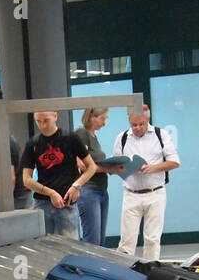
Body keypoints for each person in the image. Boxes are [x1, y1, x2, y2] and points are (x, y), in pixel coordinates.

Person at [114, 106, 180, 261]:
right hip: (131, 194)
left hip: (155, 193)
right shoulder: (122, 138)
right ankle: (123, 269)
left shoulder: (160, 134)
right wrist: (128, 167)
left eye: (141, 124)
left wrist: (153, 168)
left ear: (148, 119)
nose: (137, 128)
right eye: (134, 125)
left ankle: (150, 269)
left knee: (152, 239)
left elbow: (175, 162)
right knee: (127, 240)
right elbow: (115, 165)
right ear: (129, 121)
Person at [19, 110, 94, 238]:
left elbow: (91, 167)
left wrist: (77, 185)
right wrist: (50, 193)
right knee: (43, 245)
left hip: (66, 202)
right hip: (42, 203)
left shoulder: (70, 138)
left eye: (46, 121)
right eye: (38, 121)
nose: (43, 125)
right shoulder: (33, 143)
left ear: (55, 116)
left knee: (69, 246)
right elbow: (26, 180)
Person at [74, 106, 113, 245]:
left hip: (101, 189)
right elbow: (83, 165)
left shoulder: (93, 137)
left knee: (100, 240)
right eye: (102, 118)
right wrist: (108, 168)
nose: (104, 123)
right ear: (91, 117)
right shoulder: (82, 133)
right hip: (89, 189)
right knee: (93, 240)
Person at [0, 113, 32, 210]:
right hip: (20, 196)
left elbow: (10, 177)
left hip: (16, 198)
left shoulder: (5, 144)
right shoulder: (7, 141)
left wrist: (5, 203)